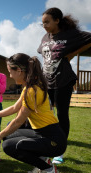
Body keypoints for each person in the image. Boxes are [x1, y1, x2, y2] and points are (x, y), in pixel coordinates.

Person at [0, 53, 67, 173]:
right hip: (43, 133)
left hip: (53, 139)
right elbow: (14, 107)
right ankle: (43, 161)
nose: (10, 76)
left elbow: (18, 120)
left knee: (8, 146)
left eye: (10, 72)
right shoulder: (29, 86)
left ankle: (48, 170)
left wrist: (0, 135)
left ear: (19, 71)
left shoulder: (32, 90)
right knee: (9, 136)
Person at [38, 7, 91, 164]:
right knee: (45, 114)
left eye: (47, 22)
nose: (44, 25)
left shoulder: (70, 34)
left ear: (57, 20)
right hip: (47, 82)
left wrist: (74, 53)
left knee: (61, 115)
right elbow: (43, 54)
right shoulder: (45, 37)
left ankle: (59, 151)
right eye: (42, 23)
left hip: (63, 81)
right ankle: (46, 146)